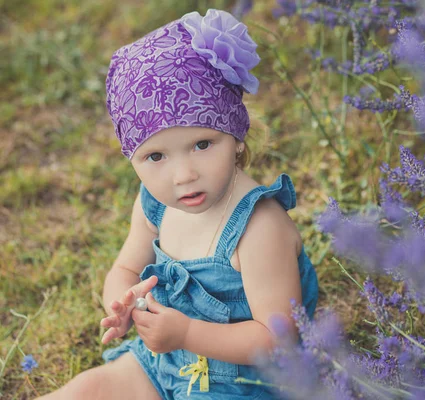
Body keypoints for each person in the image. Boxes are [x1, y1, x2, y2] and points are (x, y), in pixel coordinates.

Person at [37, 9, 318, 400]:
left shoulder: (259, 227)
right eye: (156, 157)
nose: (183, 175)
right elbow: (125, 268)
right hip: (164, 364)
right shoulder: (156, 204)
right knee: (87, 389)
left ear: (236, 134)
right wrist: (125, 305)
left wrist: (187, 333)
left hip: (242, 383)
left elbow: (277, 339)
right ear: (132, 159)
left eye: (202, 145)